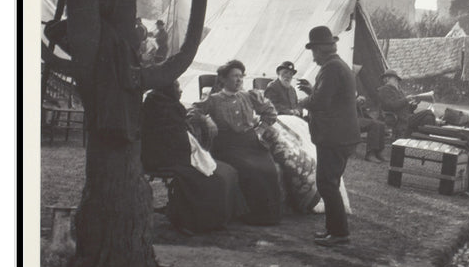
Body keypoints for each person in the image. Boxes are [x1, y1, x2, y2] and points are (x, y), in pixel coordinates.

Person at [140, 80, 246, 232]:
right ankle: (199, 220)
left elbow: (179, 135)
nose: (181, 90)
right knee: (215, 179)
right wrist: (192, 154)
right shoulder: (158, 107)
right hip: (164, 158)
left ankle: (220, 217)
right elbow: (164, 140)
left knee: (228, 171)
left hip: (178, 153)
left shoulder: (168, 104)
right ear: (166, 88)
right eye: (177, 87)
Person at [200, 59, 283, 225]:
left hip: (251, 143)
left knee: (269, 168)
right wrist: (206, 119)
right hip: (228, 146)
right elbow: (193, 111)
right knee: (250, 169)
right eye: (234, 76)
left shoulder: (248, 96)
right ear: (223, 79)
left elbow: (270, 112)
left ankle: (271, 214)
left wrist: (260, 129)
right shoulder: (213, 99)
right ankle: (253, 214)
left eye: (241, 76)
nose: (239, 80)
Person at [298, 25, 359, 246]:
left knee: (326, 184)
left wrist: (301, 102)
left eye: (313, 52)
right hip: (342, 135)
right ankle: (333, 230)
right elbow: (331, 96)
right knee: (329, 182)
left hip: (334, 137)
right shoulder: (338, 65)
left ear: (321, 49)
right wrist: (311, 91)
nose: (313, 57)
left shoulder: (331, 68)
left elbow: (321, 102)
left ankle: (339, 233)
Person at [376, 69, 437, 140]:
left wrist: (414, 104)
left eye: (397, 80)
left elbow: (406, 107)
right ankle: (428, 138)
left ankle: (425, 140)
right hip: (400, 119)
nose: (397, 82)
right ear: (387, 79)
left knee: (428, 118)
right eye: (395, 79)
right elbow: (392, 105)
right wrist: (406, 99)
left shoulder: (399, 91)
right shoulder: (384, 90)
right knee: (428, 112)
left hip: (407, 117)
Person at [356, 95, 386, 163]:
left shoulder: (353, 91)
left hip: (358, 117)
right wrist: (356, 102)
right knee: (374, 124)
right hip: (348, 119)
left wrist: (360, 103)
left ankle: (378, 152)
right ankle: (370, 153)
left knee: (381, 124)